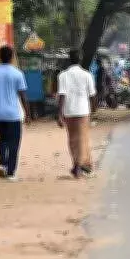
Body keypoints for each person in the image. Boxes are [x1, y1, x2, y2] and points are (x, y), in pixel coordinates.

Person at [0, 46, 30, 181]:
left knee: (3, 139)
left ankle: (2, 162)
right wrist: (28, 114)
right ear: (12, 57)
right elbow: (23, 96)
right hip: (14, 114)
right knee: (14, 143)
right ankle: (10, 172)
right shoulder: (18, 73)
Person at [57, 49, 97, 178]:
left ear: (69, 60)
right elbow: (92, 95)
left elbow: (61, 95)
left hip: (68, 111)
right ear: (80, 60)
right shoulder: (87, 75)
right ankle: (79, 166)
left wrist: (59, 113)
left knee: (72, 139)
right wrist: (94, 108)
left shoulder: (62, 75)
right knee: (82, 138)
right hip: (83, 110)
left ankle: (77, 163)